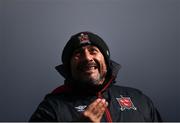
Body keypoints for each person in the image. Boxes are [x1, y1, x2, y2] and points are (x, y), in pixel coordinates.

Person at [29, 31, 162, 122]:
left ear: (105, 59)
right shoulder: (52, 107)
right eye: (78, 53)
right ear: (69, 67)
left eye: (93, 51)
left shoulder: (139, 100)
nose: (87, 58)